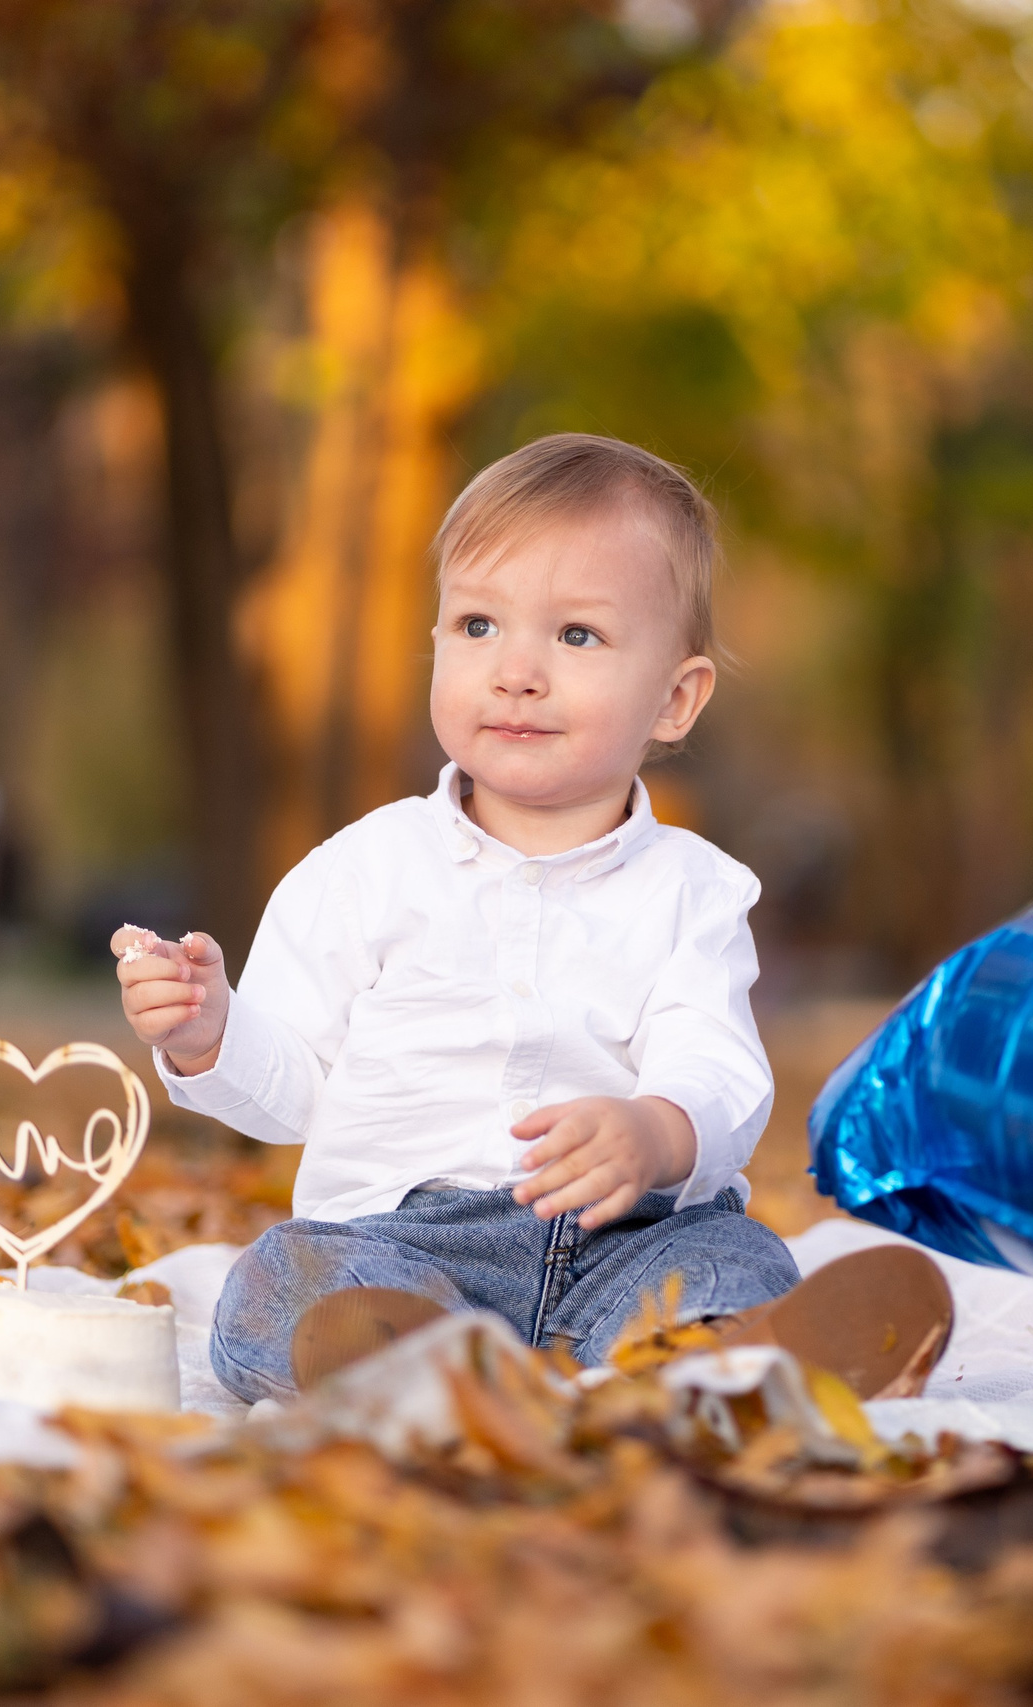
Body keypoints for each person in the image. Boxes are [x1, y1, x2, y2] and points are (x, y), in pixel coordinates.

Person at [113, 433, 950, 1403]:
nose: (515, 671)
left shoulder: (691, 889)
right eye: (476, 626)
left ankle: (720, 1358)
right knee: (279, 1279)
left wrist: (657, 1130)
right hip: (403, 1245)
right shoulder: (359, 872)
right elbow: (289, 1094)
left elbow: (715, 1061)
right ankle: (412, 1365)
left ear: (675, 700)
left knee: (737, 1257)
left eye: (576, 636)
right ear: (433, 643)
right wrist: (209, 1035)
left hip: (627, 1241)